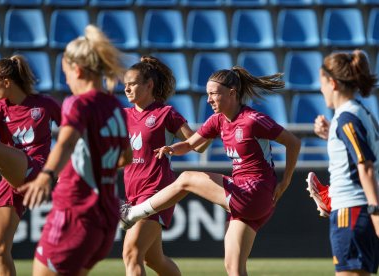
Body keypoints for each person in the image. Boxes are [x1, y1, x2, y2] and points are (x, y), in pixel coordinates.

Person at [121, 66, 301, 275]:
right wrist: (171, 148)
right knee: (233, 268)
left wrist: (285, 181)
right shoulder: (218, 120)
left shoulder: (252, 120)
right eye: (207, 94)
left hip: (254, 191)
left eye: (214, 94)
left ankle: (133, 213)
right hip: (248, 200)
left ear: (232, 92)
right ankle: (133, 212)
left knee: (187, 178)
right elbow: (191, 144)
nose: (208, 100)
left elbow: (293, 142)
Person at [17, 25, 132, 276]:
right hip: (106, 216)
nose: (66, 80)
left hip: (75, 212)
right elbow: (126, 156)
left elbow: (67, 142)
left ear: (77, 70)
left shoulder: (78, 103)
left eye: (66, 73)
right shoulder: (114, 106)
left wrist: (47, 175)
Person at [0, 55, 61, 276]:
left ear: (6, 81)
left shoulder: (45, 104)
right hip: (11, 179)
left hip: (35, 170)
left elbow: (72, 133)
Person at [122, 56, 209, 276]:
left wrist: (212, 127)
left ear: (148, 85)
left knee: (132, 253)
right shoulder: (123, 116)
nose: (126, 88)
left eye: (132, 83)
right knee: (154, 259)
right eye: (125, 84)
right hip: (132, 194)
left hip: (157, 191)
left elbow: (196, 145)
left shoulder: (166, 114)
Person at [305, 50, 379, 275]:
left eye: (322, 83)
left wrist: (376, 212)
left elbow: (365, 166)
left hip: (352, 213)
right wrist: (332, 135)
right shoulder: (360, 111)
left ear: (333, 83)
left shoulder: (347, 117)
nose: (321, 89)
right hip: (356, 211)